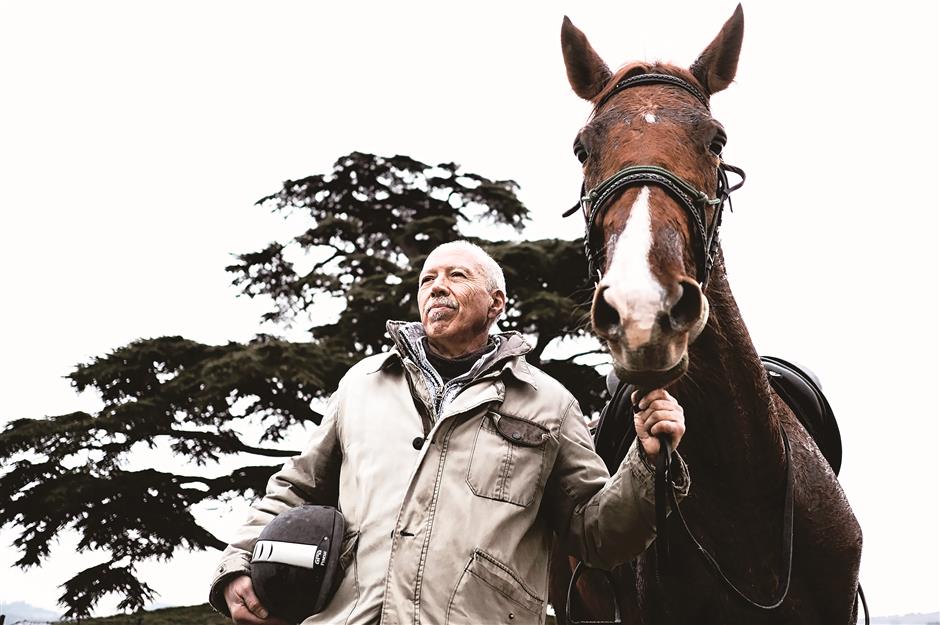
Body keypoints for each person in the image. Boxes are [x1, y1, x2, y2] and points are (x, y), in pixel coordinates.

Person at [208, 240, 689, 625]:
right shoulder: (361, 385)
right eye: (427, 280)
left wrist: (647, 464)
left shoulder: (550, 404)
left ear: (496, 302)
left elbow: (597, 534)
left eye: (456, 275)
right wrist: (237, 563)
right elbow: (294, 488)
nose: (437, 286)